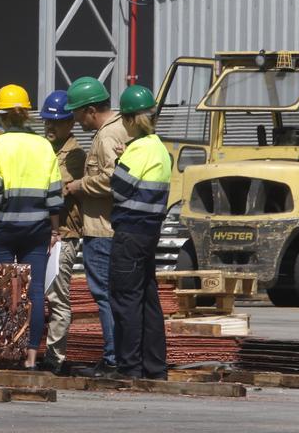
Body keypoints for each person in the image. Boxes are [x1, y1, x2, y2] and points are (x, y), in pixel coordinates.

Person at [0, 84, 62, 369]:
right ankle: (31, 358)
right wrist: (55, 230)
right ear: (26, 114)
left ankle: (5, 353)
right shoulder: (44, 146)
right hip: (38, 228)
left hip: (4, 229)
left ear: (0, 116)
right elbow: (54, 194)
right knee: (35, 291)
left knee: (4, 289)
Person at [61, 76, 130, 378]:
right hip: (116, 227)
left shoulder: (104, 137)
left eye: (77, 113)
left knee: (103, 295)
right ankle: (121, 356)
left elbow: (112, 180)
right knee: (117, 295)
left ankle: (113, 359)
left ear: (90, 110)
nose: (75, 120)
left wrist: (77, 186)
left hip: (102, 229)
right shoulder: (121, 129)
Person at [104, 84, 171, 380]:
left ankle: (128, 368)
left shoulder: (139, 148)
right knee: (147, 300)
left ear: (131, 120)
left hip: (129, 233)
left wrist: (121, 159)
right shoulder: (160, 149)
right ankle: (154, 368)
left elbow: (118, 187)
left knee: (125, 300)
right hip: (149, 233)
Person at [39, 89, 86, 375]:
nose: (50, 127)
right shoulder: (44, 148)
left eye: (56, 122)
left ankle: (54, 359)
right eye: (47, 121)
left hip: (64, 234)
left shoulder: (76, 154)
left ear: (70, 123)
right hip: (40, 232)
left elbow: (60, 189)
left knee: (57, 297)